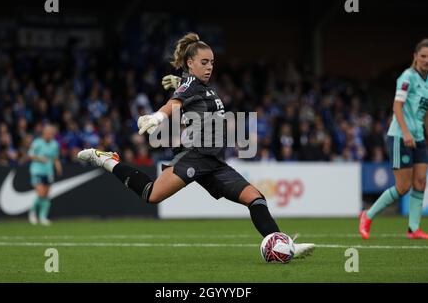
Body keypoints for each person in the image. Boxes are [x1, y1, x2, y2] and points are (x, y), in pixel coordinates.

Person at [78, 32, 314, 258]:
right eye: (204, 62)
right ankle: (108, 160)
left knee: (255, 198)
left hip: (213, 162)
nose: (210, 66)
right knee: (151, 194)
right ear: (190, 63)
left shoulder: (197, 85)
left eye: (212, 62)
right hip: (194, 156)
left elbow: (188, 95)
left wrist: (180, 81)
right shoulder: (191, 83)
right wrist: (158, 117)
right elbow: (175, 102)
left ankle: (283, 246)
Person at [359, 39, 428, 239]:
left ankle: (413, 228)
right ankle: (367, 215)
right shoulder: (407, 77)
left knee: (421, 181)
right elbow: (397, 107)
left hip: (419, 138)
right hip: (400, 136)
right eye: (423, 56)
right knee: (403, 186)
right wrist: (406, 133)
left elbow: (424, 113)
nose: (426, 60)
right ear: (415, 57)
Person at [28, 124, 62, 226]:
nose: (49, 135)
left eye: (51, 134)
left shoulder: (55, 144)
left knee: (46, 195)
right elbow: (30, 155)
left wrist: (58, 167)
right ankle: (32, 213)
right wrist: (39, 158)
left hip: (48, 172)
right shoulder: (37, 143)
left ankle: (43, 217)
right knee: (40, 193)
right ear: (43, 133)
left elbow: (55, 158)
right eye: (48, 133)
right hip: (37, 171)